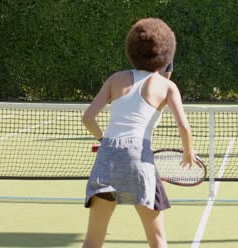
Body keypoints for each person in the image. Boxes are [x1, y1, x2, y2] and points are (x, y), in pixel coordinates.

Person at [81, 18, 199, 248]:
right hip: (140, 161)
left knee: (92, 241)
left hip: (107, 159)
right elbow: (185, 127)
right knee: (157, 241)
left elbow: (87, 118)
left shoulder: (116, 78)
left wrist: (103, 140)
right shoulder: (167, 86)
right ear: (165, 54)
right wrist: (188, 152)